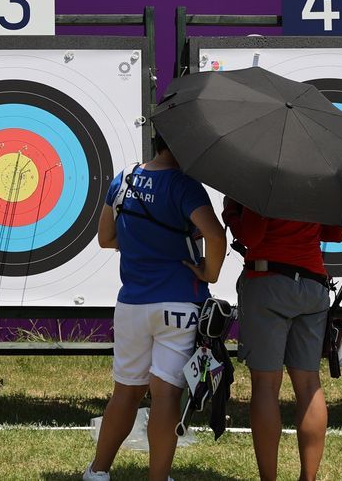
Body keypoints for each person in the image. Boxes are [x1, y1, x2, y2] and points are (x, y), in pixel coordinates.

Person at [85, 135, 226, 481]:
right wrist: (209, 271)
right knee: (166, 395)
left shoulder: (125, 178)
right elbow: (216, 235)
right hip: (179, 304)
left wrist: (144, 246)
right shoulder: (184, 185)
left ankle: (98, 472)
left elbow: (106, 238)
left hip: (132, 303)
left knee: (125, 392)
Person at [224, 197, 342, 481]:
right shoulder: (318, 175)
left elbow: (251, 235)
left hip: (268, 281)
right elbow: (336, 233)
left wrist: (232, 210)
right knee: (308, 384)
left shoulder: (266, 178)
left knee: (266, 386)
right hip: (314, 286)